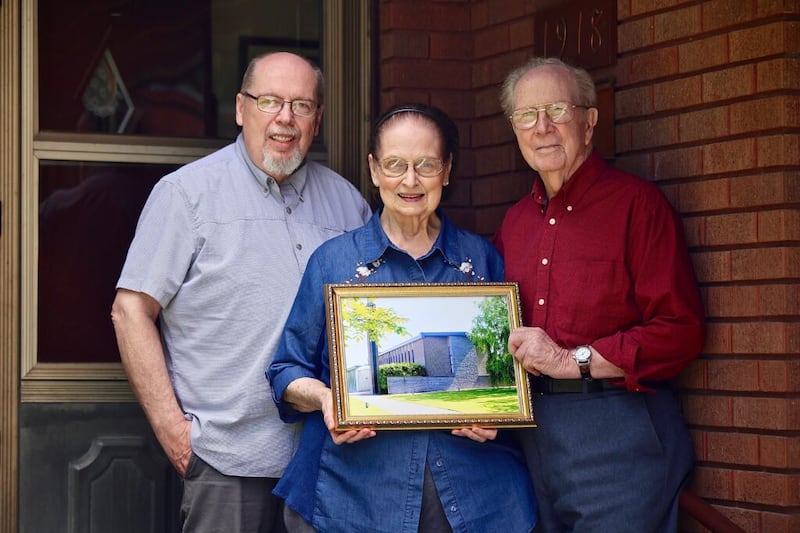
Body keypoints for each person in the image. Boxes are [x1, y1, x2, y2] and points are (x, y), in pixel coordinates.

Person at [111, 52, 372, 533]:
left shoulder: (347, 203)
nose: (285, 119)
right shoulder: (185, 194)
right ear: (240, 108)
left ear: (318, 119)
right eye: (270, 101)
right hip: (225, 461)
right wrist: (177, 434)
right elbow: (130, 311)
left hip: (329, 459)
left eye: (302, 105)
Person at [267, 103, 538, 533]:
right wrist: (326, 399)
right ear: (374, 171)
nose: (409, 180)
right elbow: (286, 369)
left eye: (425, 165)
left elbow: (509, 372)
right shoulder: (332, 262)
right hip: (350, 497)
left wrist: (499, 412)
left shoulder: (482, 259)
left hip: (476, 496)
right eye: (395, 165)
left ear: (446, 171)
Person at [494, 56, 706, 532]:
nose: (543, 127)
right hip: (531, 432)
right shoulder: (514, 223)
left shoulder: (638, 206)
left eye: (558, 111)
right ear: (514, 128)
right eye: (528, 115)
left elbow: (679, 330)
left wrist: (575, 361)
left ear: (589, 121)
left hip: (617, 429)